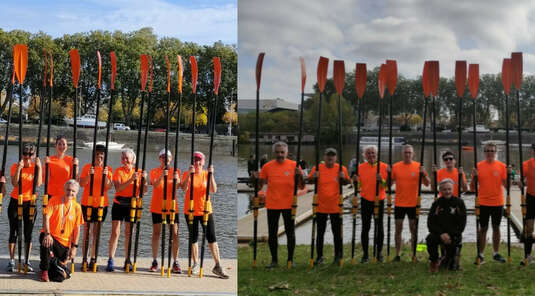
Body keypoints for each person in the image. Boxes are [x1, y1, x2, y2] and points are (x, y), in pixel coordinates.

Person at [255, 141, 304, 268]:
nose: (280, 155)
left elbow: (302, 186)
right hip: (272, 204)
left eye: (282, 152)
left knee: (290, 232)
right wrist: (255, 178)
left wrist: (300, 176)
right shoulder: (267, 166)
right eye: (277, 152)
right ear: (274, 153)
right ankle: (274, 261)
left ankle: (290, 260)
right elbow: (260, 185)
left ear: (287, 153)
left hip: (289, 205)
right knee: (272, 233)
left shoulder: (295, 165)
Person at [182, 151, 228, 278]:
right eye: (195, 160)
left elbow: (214, 189)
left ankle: (218, 265)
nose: (197, 163)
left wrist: (211, 174)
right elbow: (183, 188)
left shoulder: (207, 174)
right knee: (194, 237)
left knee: (211, 237)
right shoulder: (187, 173)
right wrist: (188, 175)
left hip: (205, 210)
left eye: (199, 160)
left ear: (203, 162)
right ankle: (196, 263)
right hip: (190, 210)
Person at [307, 148, 350, 265]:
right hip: (320, 206)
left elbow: (347, 183)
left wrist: (343, 178)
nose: (330, 158)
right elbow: (309, 181)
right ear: (324, 157)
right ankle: (319, 257)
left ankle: (338, 256)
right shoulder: (317, 168)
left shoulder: (342, 168)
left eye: (333, 156)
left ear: (336, 157)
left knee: (337, 233)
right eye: (328, 155)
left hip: (336, 206)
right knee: (320, 233)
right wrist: (313, 177)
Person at [107, 148, 147, 272]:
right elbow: (118, 188)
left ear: (133, 160)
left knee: (129, 233)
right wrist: (131, 180)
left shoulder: (139, 172)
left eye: (126, 158)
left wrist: (144, 179)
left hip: (132, 204)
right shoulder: (118, 171)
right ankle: (111, 259)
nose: (124, 160)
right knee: (115, 232)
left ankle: (127, 259)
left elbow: (144, 191)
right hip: (119, 203)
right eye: (122, 157)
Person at [389, 144, 430, 261]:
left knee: (413, 229)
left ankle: (414, 254)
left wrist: (423, 175)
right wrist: (387, 174)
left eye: (409, 153)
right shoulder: (396, 167)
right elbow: (388, 184)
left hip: (413, 204)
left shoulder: (418, 167)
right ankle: (397, 254)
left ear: (413, 154)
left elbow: (428, 184)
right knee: (398, 229)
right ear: (402, 154)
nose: (407, 154)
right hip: (399, 203)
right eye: (405, 152)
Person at [470, 142, 508, 264]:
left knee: (496, 227)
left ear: (495, 152)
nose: (490, 153)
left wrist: (510, 176)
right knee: (483, 228)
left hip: (498, 202)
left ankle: (496, 253)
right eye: (487, 151)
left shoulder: (502, 166)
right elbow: (472, 188)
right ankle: (480, 254)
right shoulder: (478, 166)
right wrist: (475, 177)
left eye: (492, 151)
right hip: (483, 202)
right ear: (484, 152)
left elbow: (507, 186)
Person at [39, 179, 83, 282]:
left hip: (64, 244)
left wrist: (74, 247)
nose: (70, 193)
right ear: (64, 189)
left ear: (76, 193)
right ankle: (44, 271)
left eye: (73, 191)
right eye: (68, 190)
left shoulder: (77, 207)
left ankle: (49, 265)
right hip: (52, 237)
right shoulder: (54, 200)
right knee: (46, 240)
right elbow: (46, 217)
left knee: (59, 276)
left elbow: (77, 229)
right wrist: (47, 234)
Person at [6, 143, 40, 272]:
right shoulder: (15, 166)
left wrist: (40, 167)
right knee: (14, 231)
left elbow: (39, 183)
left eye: (30, 154)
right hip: (16, 201)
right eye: (25, 154)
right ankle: (12, 260)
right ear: (21, 155)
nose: (27, 157)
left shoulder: (35, 168)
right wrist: (19, 169)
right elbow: (14, 183)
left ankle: (26, 260)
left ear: (34, 155)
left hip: (30, 202)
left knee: (28, 233)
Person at [78, 144, 113, 271]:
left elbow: (108, 187)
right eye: (97, 154)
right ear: (94, 155)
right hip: (87, 202)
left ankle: (93, 258)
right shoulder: (87, 167)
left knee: (96, 233)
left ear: (104, 156)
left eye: (101, 155)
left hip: (101, 204)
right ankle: (84, 259)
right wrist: (89, 175)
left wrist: (106, 175)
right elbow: (81, 184)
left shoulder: (108, 169)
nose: (99, 157)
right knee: (86, 232)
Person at [149, 149, 181, 273]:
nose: (165, 159)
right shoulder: (154, 171)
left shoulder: (176, 171)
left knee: (174, 234)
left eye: (167, 157)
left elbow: (178, 186)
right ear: (159, 159)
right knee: (156, 234)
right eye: (163, 157)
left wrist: (177, 179)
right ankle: (155, 260)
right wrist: (163, 174)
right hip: (157, 207)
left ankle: (175, 261)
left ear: (171, 159)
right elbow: (156, 184)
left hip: (172, 207)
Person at [353, 145, 387, 263]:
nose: (371, 155)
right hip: (366, 200)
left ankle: (379, 253)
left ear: (376, 154)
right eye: (368, 153)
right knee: (365, 227)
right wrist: (355, 182)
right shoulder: (360, 167)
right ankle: (366, 254)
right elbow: (359, 187)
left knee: (379, 227)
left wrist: (381, 180)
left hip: (379, 200)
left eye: (373, 153)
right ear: (364, 155)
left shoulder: (384, 166)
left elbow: (386, 186)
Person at [426, 178, 466, 272]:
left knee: (452, 268)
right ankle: (434, 261)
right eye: (444, 189)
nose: (447, 191)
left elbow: (462, 224)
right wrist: (441, 234)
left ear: (453, 189)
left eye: (449, 189)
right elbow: (430, 223)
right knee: (430, 238)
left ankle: (452, 259)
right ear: (440, 190)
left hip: (453, 235)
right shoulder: (436, 204)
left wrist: (450, 234)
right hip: (440, 234)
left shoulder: (459, 203)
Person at [44, 135, 79, 201]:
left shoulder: (71, 160)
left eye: (64, 144)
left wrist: (76, 166)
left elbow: (75, 180)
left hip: (66, 194)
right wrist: (46, 165)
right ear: (56, 146)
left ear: (67, 146)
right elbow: (45, 180)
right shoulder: (49, 160)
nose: (62, 146)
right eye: (59, 144)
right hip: (51, 194)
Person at [519, 143, 535, 265]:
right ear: (532, 151)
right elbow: (520, 179)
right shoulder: (526, 164)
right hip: (531, 198)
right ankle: (528, 256)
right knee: (529, 228)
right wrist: (519, 182)